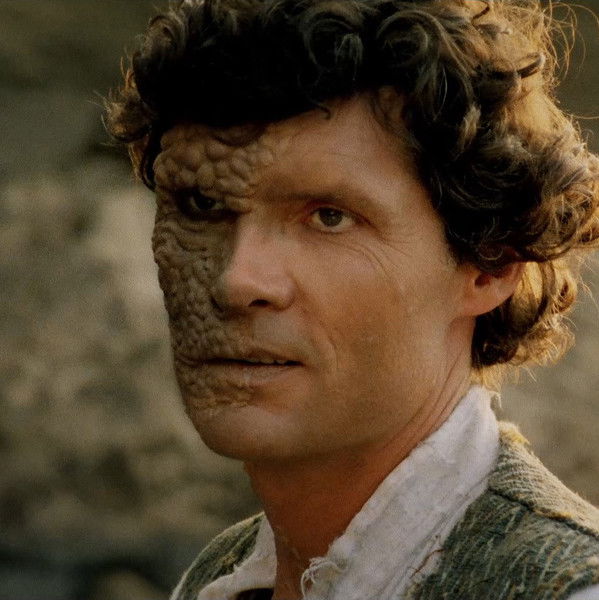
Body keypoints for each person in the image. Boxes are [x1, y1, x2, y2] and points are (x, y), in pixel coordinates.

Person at [106, 0, 599, 598]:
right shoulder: (217, 579)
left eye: (330, 217)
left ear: (489, 264)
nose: (236, 280)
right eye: (202, 205)